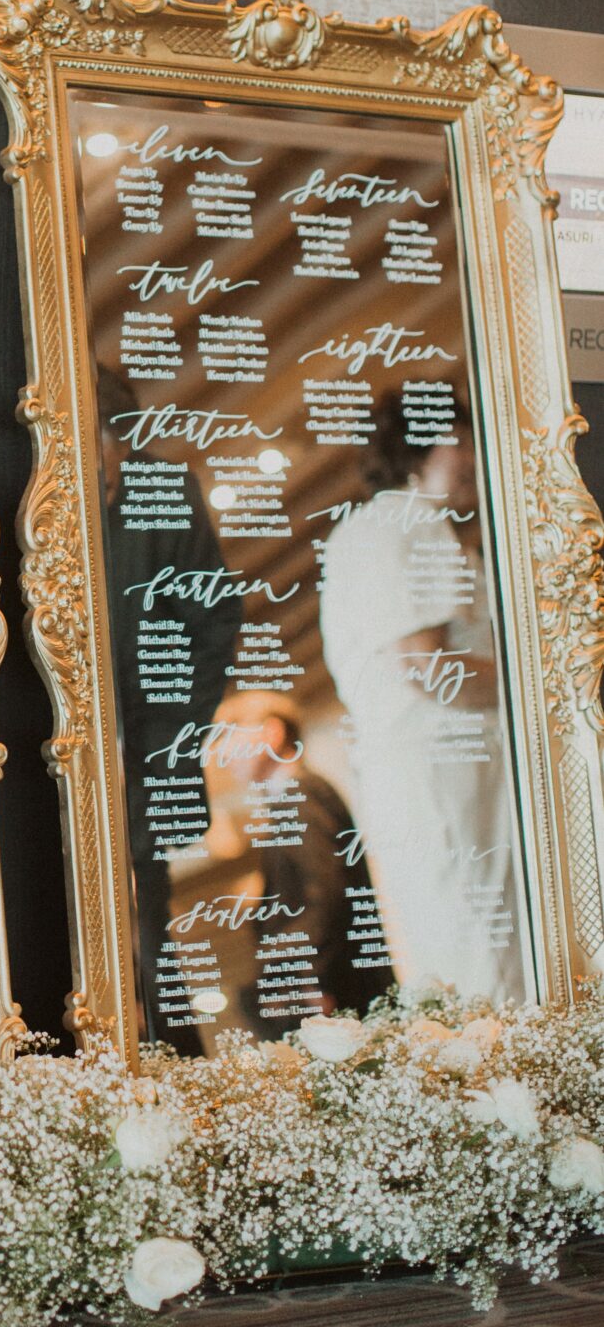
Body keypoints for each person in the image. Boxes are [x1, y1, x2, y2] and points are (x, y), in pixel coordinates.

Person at [318, 391, 525, 1002]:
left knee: (466, 942)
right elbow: (428, 667)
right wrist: (539, 684)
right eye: (459, 440)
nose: (474, 457)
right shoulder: (406, 521)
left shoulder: (386, 529)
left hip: (431, 773)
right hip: (446, 770)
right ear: (416, 449)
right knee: (486, 945)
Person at [95, 366, 243, 1048]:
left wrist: (160, 741)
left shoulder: (167, 489)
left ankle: (173, 1071)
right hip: (58, 759)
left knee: (147, 933)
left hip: (146, 762)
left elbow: (212, 623)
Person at [212, 690, 394, 1033]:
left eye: (231, 732)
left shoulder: (300, 794)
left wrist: (307, 980)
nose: (222, 751)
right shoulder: (297, 796)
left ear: (272, 732)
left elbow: (324, 895)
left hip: (332, 997)